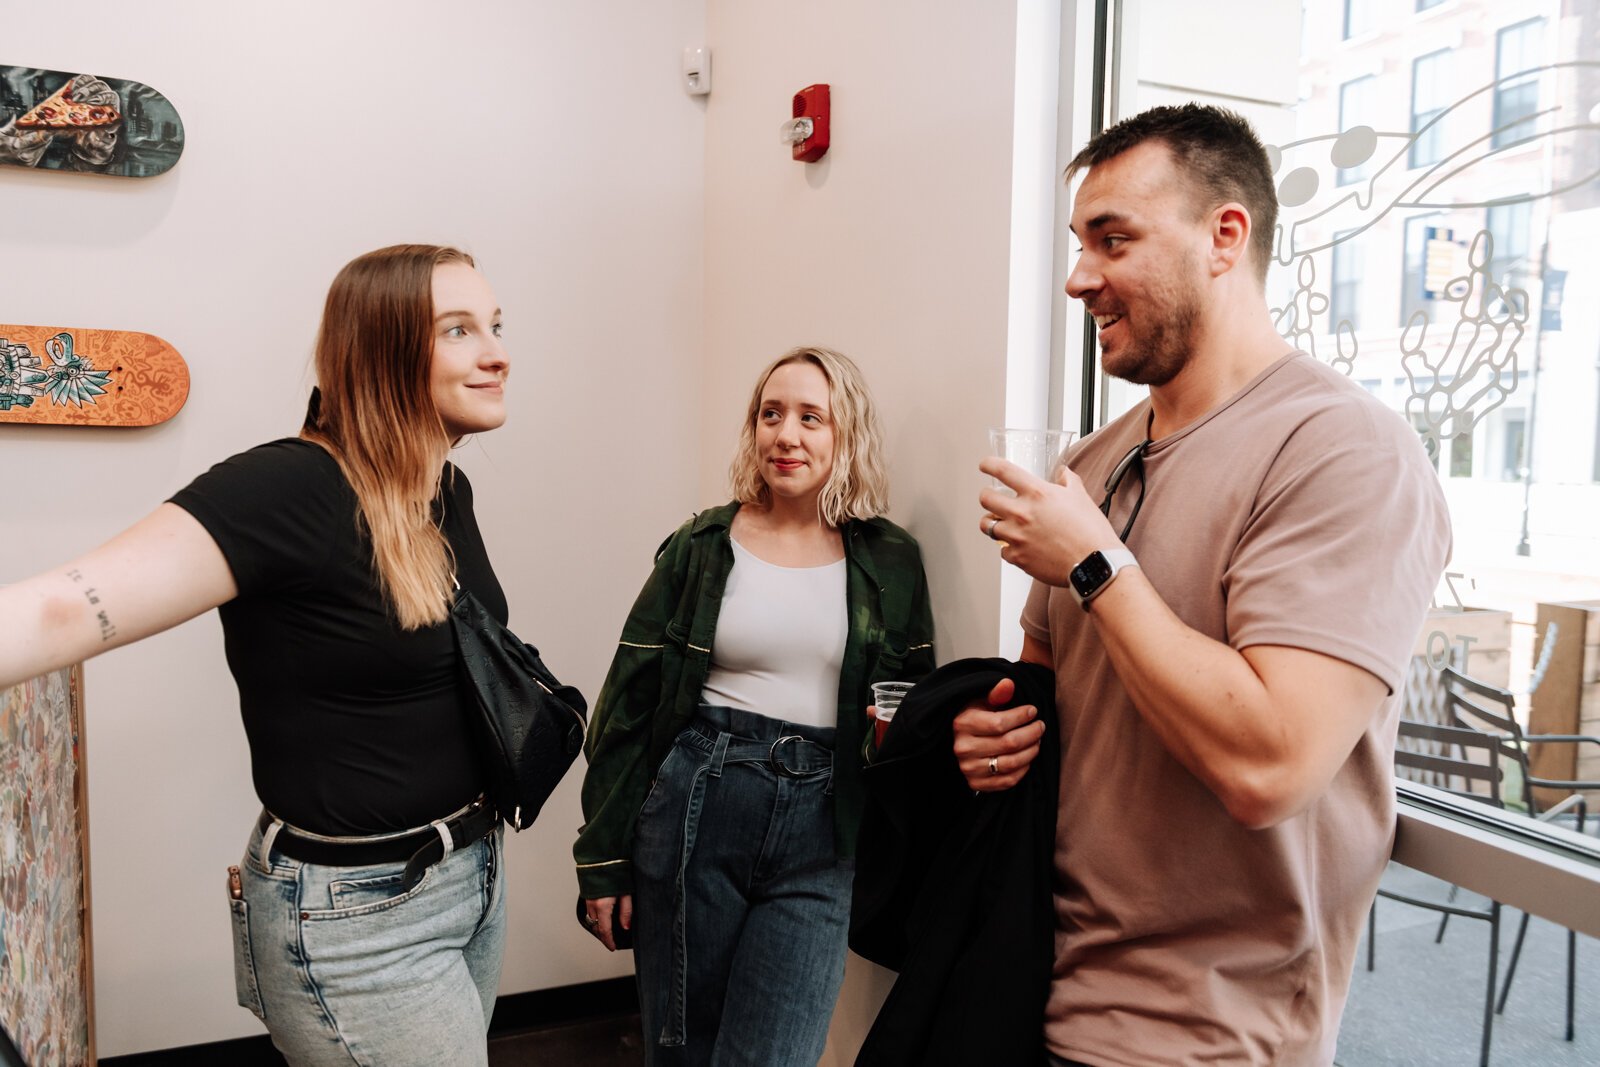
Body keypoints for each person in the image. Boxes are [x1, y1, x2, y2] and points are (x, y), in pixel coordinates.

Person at [966, 104, 1451, 1066]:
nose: (1079, 277)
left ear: (1226, 236)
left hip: (1214, 1037)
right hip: (1035, 994)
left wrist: (1095, 564)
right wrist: (990, 738)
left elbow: (1270, 766)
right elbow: (1044, 701)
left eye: (1114, 240)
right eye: (1079, 243)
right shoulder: (1090, 465)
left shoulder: (1345, 452)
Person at [0, 244, 516, 1066]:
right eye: (459, 330)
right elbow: (63, 608)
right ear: (379, 350)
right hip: (356, 917)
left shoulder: (444, 491)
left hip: (469, 876)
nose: (496, 353)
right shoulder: (289, 489)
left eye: (494, 325)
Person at [575, 346, 936, 1065]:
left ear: (847, 433)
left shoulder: (890, 559)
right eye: (771, 414)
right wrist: (603, 858)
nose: (785, 435)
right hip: (697, 807)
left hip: (825, 830)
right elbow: (627, 708)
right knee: (684, 1052)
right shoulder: (702, 545)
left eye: (810, 418)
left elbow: (914, 703)